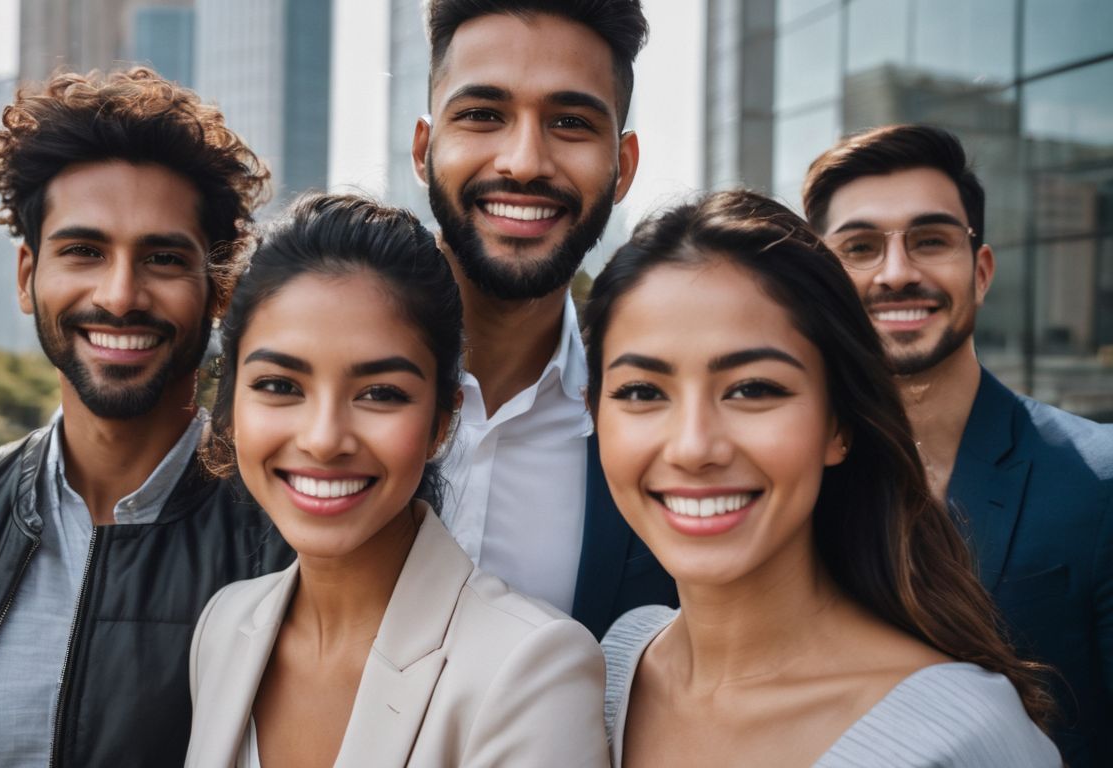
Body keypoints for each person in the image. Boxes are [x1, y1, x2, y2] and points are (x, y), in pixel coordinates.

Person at [0, 68, 293, 768]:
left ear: (217, 288)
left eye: (161, 257)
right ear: (26, 276)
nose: (120, 294)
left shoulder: (290, 546)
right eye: (84, 252)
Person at [586, 191, 1059, 767]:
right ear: (595, 413)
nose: (693, 448)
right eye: (642, 392)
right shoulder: (613, 669)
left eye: (753, 389)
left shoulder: (964, 737)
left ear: (839, 422)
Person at [186, 194, 610, 768]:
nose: (322, 438)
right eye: (280, 385)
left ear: (442, 421)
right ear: (231, 402)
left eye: (380, 393)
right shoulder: (224, 626)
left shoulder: (533, 668)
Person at [803, 124, 1113, 767]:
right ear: (821, 284)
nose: (897, 273)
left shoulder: (1100, 479)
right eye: (860, 247)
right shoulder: (786, 479)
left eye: (931, 240)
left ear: (981, 270)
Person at [413, 0, 674, 640]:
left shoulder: (654, 432)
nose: (524, 161)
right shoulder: (297, 401)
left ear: (625, 167)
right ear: (424, 149)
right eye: (482, 115)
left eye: (570, 122)